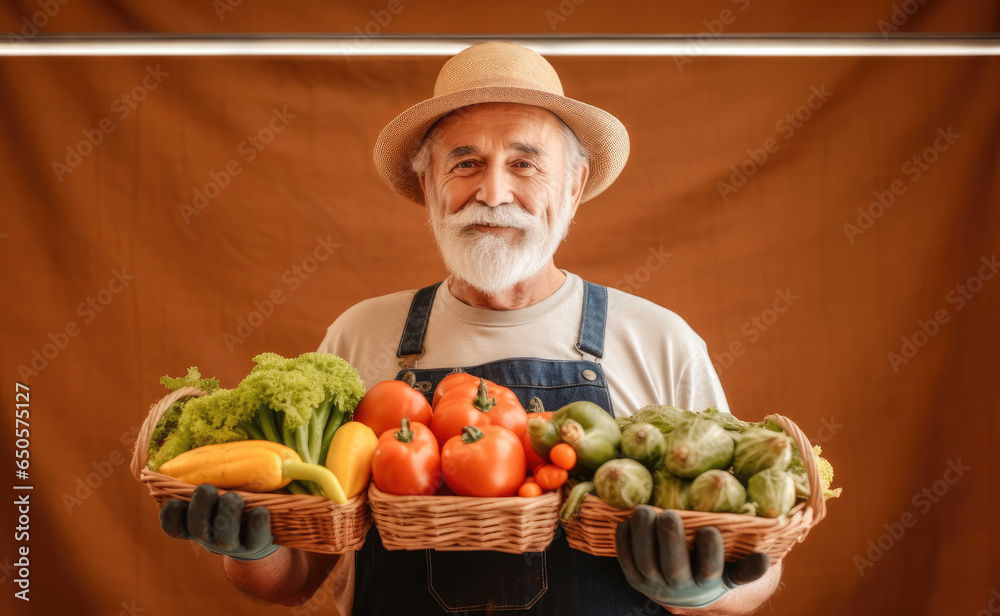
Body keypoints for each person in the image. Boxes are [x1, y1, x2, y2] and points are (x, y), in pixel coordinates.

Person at [159, 42, 781, 615]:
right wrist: (251, 551)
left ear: (573, 184)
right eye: (465, 163)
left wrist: (706, 591)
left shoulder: (658, 339)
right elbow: (298, 578)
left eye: (525, 163)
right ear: (429, 184)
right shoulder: (362, 336)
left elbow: (757, 567)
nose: (493, 191)